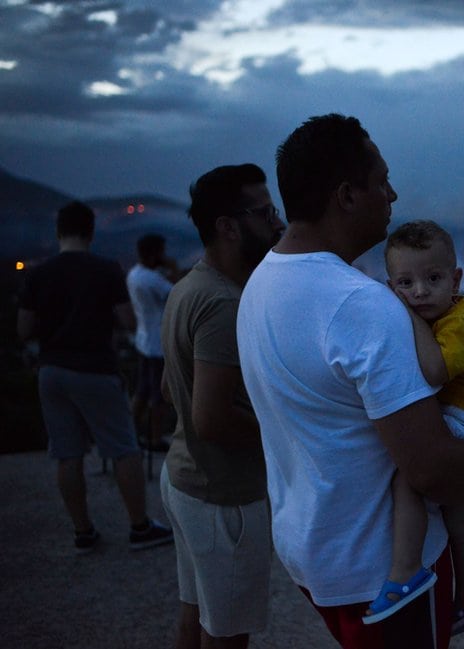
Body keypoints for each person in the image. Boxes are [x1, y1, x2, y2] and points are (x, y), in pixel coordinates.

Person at [237, 114, 464, 649]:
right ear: (347, 196)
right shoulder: (364, 304)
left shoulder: (263, 281)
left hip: (312, 551)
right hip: (383, 572)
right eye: (381, 180)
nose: (393, 193)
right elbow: (429, 468)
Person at [159, 164, 284, 649]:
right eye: (266, 212)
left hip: (185, 479)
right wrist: (282, 432)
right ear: (229, 226)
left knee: (197, 614)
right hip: (224, 498)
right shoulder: (225, 303)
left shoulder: (189, 286)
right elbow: (210, 418)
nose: (277, 223)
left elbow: (175, 392)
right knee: (227, 636)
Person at [372, 220, 464, 635]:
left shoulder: (459, 322)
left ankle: (405, 572)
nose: (419, 292)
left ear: (456, 278)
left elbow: (433, 371)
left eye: (433, 279)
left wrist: (402, 312)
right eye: (405, 282)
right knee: (457, 520)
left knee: (410, 476)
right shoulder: (440, 312)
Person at [16, 200, 174, 554]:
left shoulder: (38, 274)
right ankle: (139, 526)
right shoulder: (105, 270)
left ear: (59, 232)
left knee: (67, 454)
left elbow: (24, 329)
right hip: (95, 368)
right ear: (91, 231)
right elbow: (128, 322)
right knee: (123, 448)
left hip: (52, 370)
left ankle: (83, 532)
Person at [126, 233, 176, 452]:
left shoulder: (134, 274)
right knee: (158, 395)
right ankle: (155, 439)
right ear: (154, 253)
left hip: (143, 340)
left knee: (142, 390)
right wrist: (173, 268)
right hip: (157, 344)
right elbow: (176, 292)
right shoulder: (153, 279)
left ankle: (129, 434)